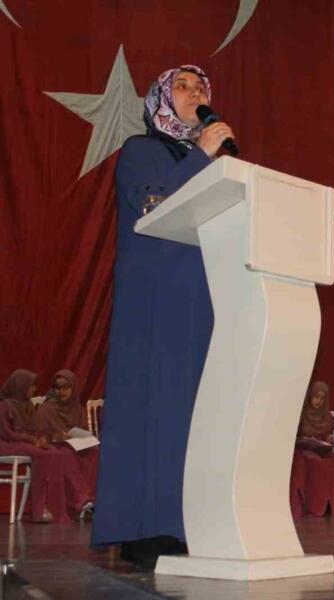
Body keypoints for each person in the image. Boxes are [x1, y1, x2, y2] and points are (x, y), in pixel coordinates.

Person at [91, 65, 236, 564]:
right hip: (154, 300)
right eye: (182, 86)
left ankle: (189, 522)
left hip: (204, 299)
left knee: (196, 413)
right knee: (156, 405)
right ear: (159, 99)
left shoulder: (214, 161)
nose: (194, 93)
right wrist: (201, 155)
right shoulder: (141, 150)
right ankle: (146, 530)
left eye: (201, 88)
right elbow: (152, 204)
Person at [0, 369, 91, 523]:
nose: (34, 389)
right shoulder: (4, 406)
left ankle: (53, 505)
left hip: (23, 443)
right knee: (44, 454)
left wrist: (40, 439)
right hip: (7, 444)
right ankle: (38, 510)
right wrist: (32, 440)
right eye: (31, 386)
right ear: (21, 386)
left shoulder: (27, 405)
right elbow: (7, 434)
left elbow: (35, 429)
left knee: (54, 453)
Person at [35, 370, 100, 502]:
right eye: (58, 388)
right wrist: (59, 436)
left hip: (76, 445)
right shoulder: (46, 408)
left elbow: (84, 431)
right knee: (66, 455)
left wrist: (81, 436)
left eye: (66, 387)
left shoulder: (77, 408)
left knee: (94, 452)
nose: (62, 391)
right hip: (56, 446)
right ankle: (81, 499)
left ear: (73, 388)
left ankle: (93, 496)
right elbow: (40, 434)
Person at [289, 382, 334, 517]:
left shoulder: (327, 417)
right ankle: (315, 506)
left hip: (321, 450)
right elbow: (292, 437)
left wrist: (329, 440)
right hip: (302, 450)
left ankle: (329, 504)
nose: (318, 401)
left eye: (322, 398)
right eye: (316, 397)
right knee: (316, 462)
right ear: (309, 396)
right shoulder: (301, 414)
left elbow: (326, 436)